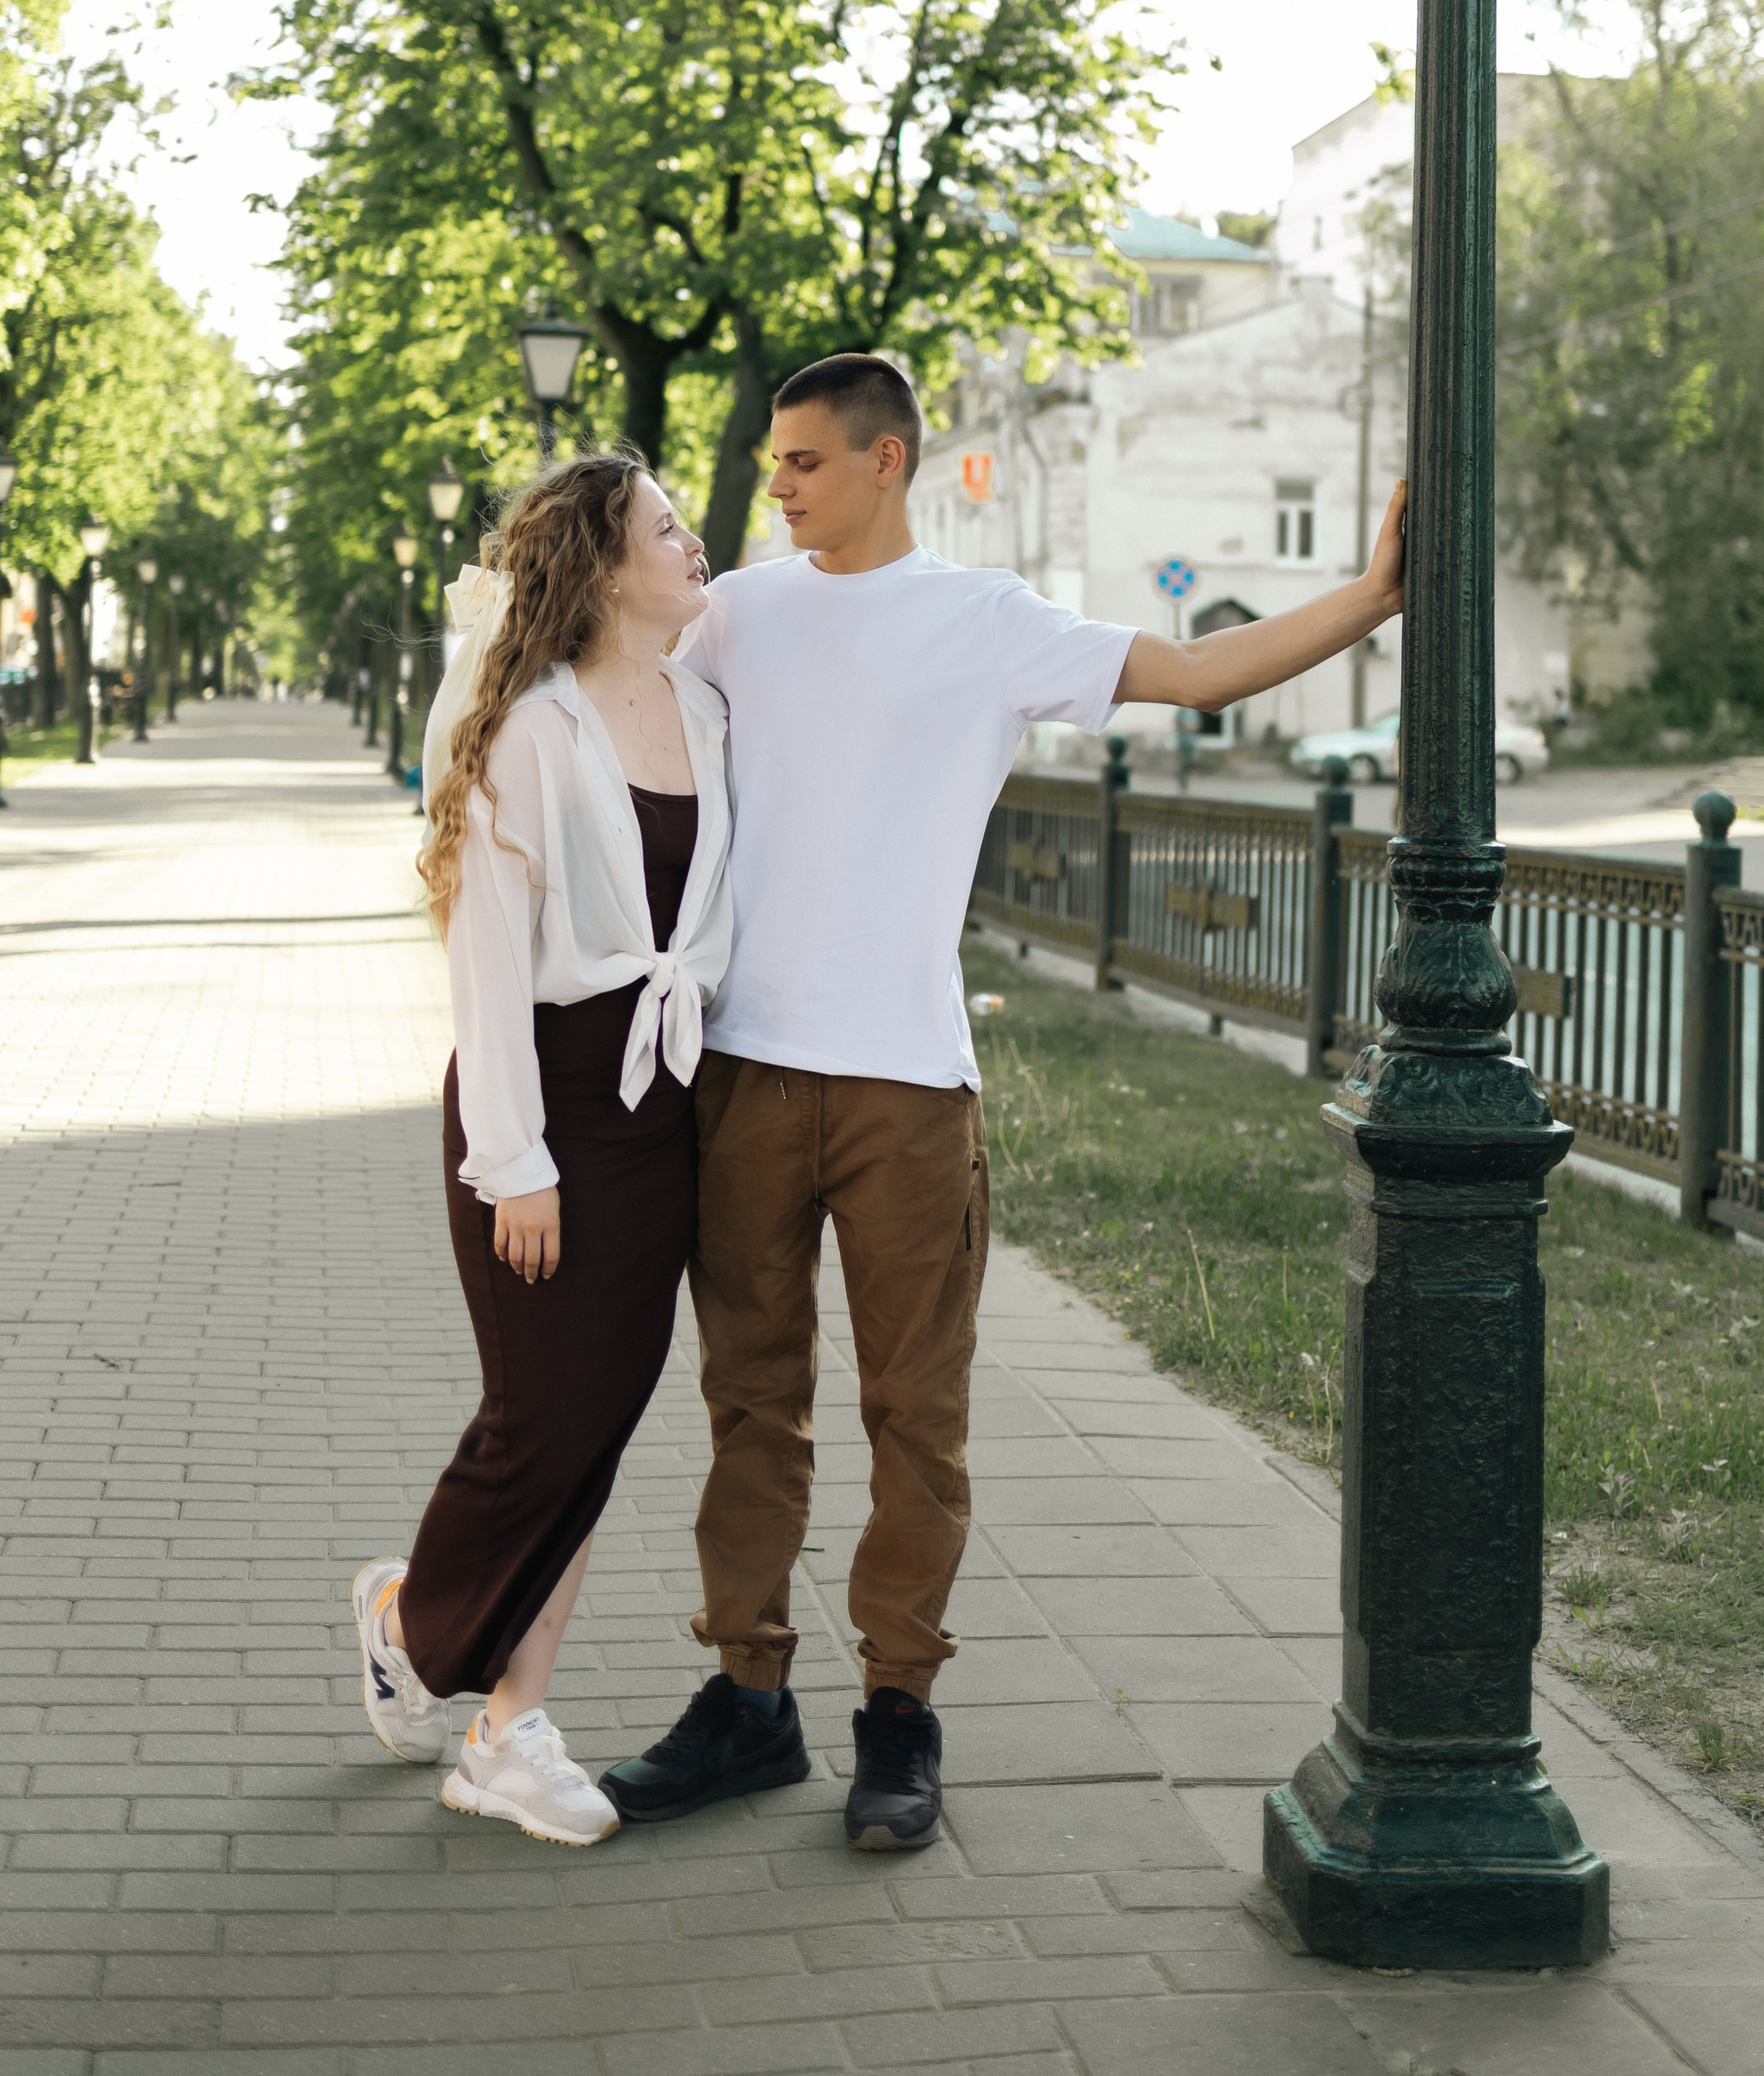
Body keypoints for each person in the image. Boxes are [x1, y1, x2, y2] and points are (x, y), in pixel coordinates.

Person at [600, 349, 1407, 1852]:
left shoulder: (988, 625)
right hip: (747, 1075)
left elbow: (1190, 673)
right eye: (771, 463)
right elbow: (600, 702)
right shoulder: (734, 617)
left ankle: (898, 1714)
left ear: (887, 460)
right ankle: (747, 1703)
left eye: (801, 463)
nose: (771, 487)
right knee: (748, 1402)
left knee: (919, 1415)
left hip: (911, 1088)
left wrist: (1369, 599)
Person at [349, 451, 734, 1847]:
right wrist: (515, 1159)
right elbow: (488, 957)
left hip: (661, 1103)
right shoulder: (532, 727)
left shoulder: (702, 698)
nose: (694, 540)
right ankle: (448, 1663)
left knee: (598, 1427)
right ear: (602, 567)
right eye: (665, 525)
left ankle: (498, 1714)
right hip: (551, 1106)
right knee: (540, 1423)